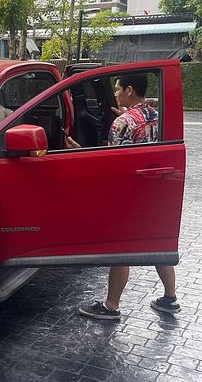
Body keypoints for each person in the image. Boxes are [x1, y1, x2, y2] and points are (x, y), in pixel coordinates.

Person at [76, 72, 180, 320]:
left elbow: (111, 163)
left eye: (118, 88)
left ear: (129, 90)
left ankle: (111, 305)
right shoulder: (157, 115)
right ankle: (170, 298)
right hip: (157, 194)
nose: (115, 93)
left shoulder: (123, 123)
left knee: (121, 249)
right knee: (159, 245)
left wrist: (79, 152)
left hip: (131, 196)